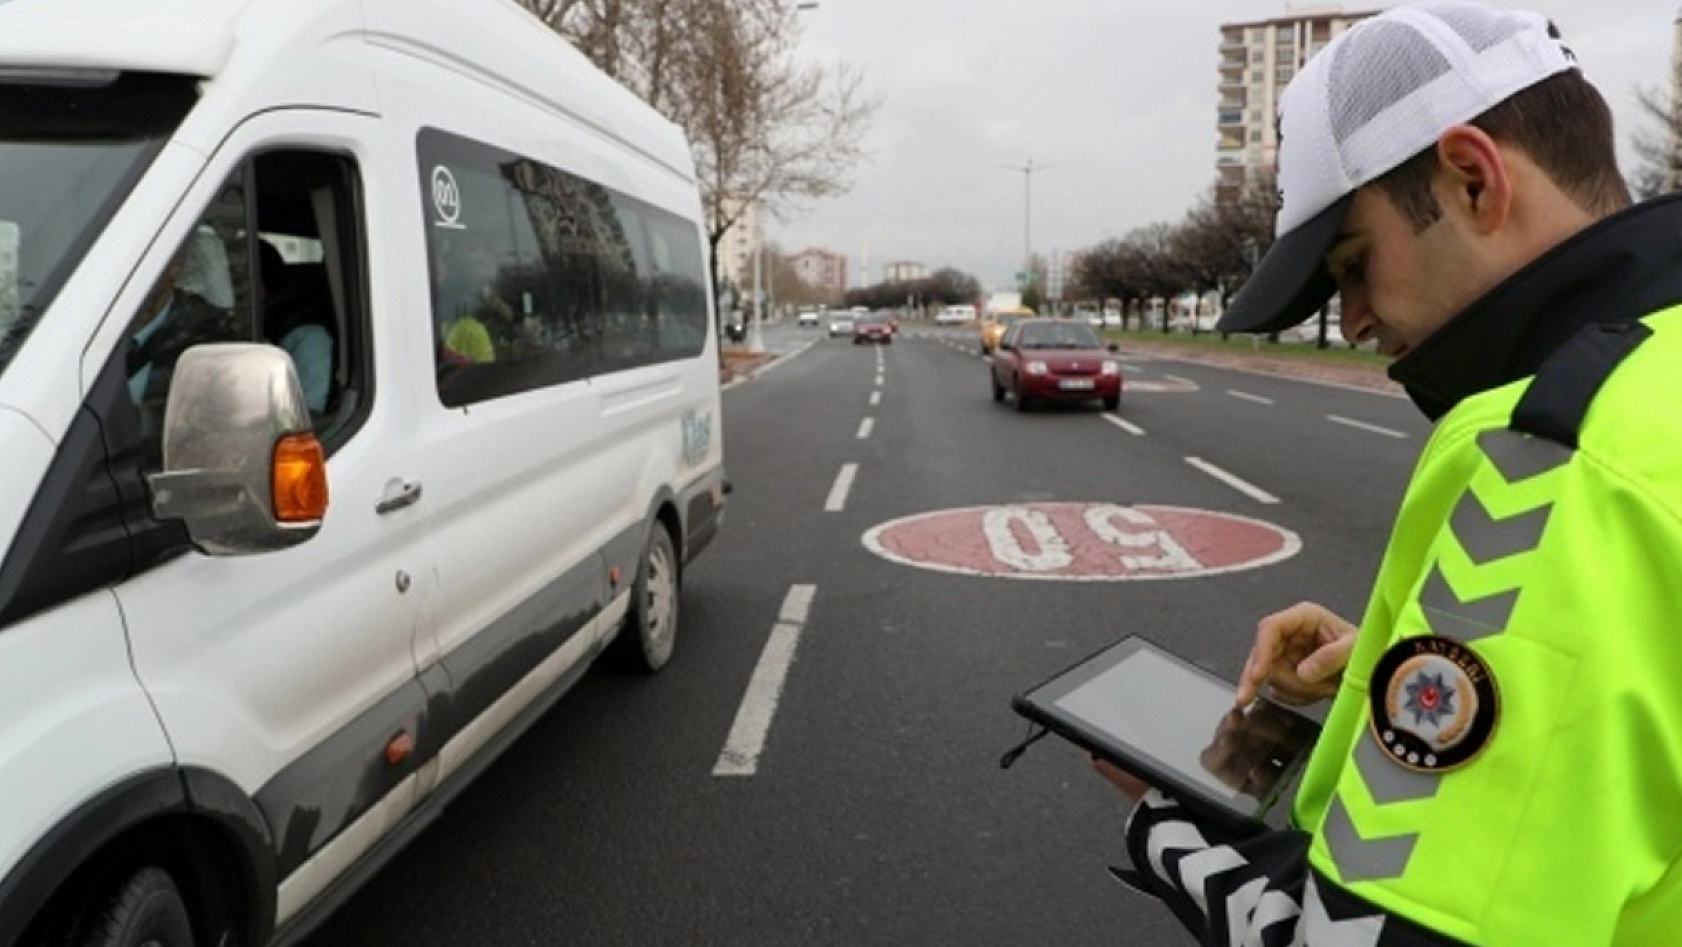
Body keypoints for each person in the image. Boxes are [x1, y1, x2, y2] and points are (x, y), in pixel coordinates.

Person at [1094, 3, 1682, 945]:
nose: (1357, 320)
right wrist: (1401, 667)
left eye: (1356, 264)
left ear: (1473, 177)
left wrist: (1163, 821)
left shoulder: (1557, 458)